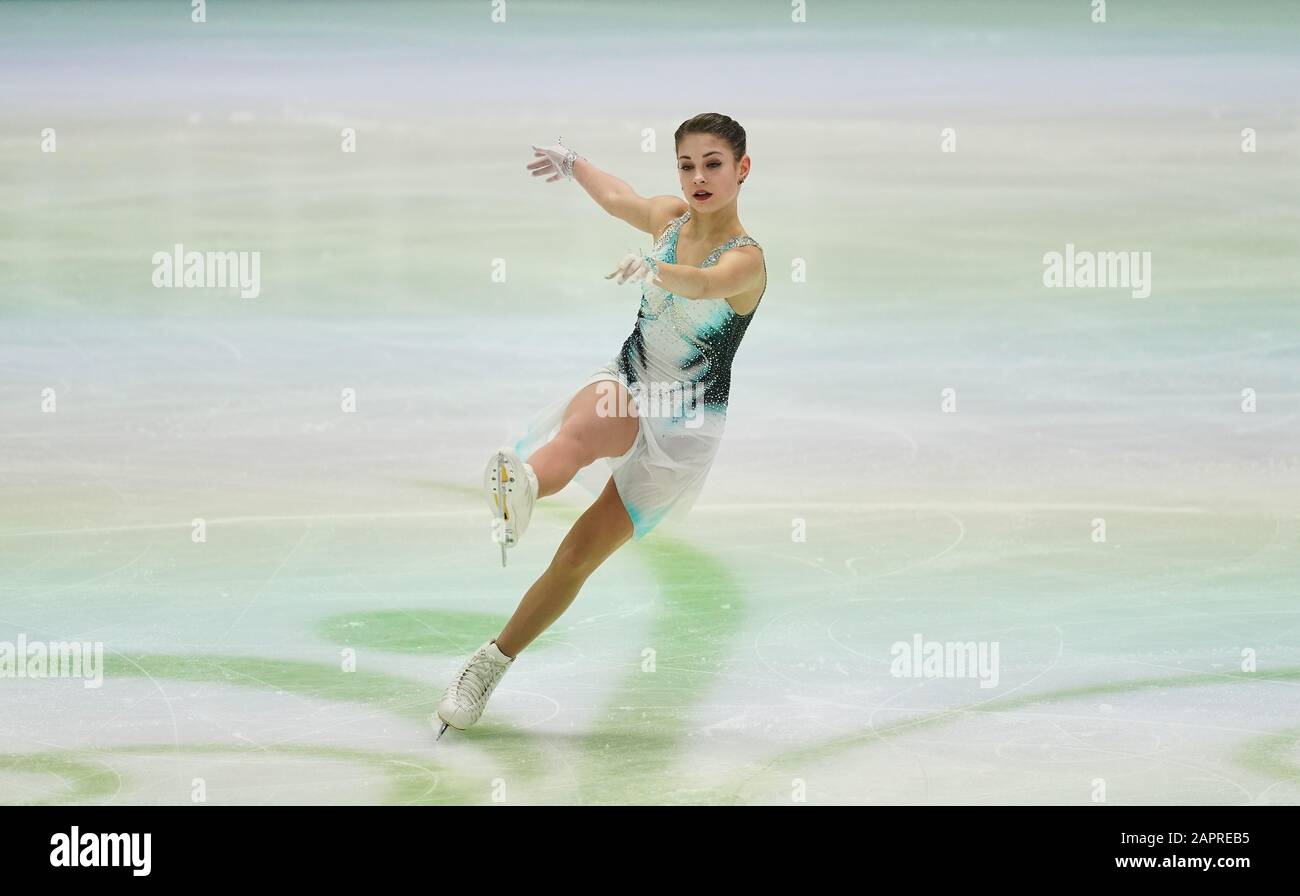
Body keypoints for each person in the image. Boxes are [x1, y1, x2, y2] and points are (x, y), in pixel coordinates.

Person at [435, 113, 767, 741]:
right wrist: (574, 161)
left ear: (741, 169)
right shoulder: (669, 218)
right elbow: (622, 199)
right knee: (580, 436)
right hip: (631, 378)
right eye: (687, 164)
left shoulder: (747, 261)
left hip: (684, 427)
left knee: (575, 558)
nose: (698, 177)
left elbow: (705, 282)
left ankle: (490, 662)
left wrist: (658, 272)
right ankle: (524, 484)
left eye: (713, 164)